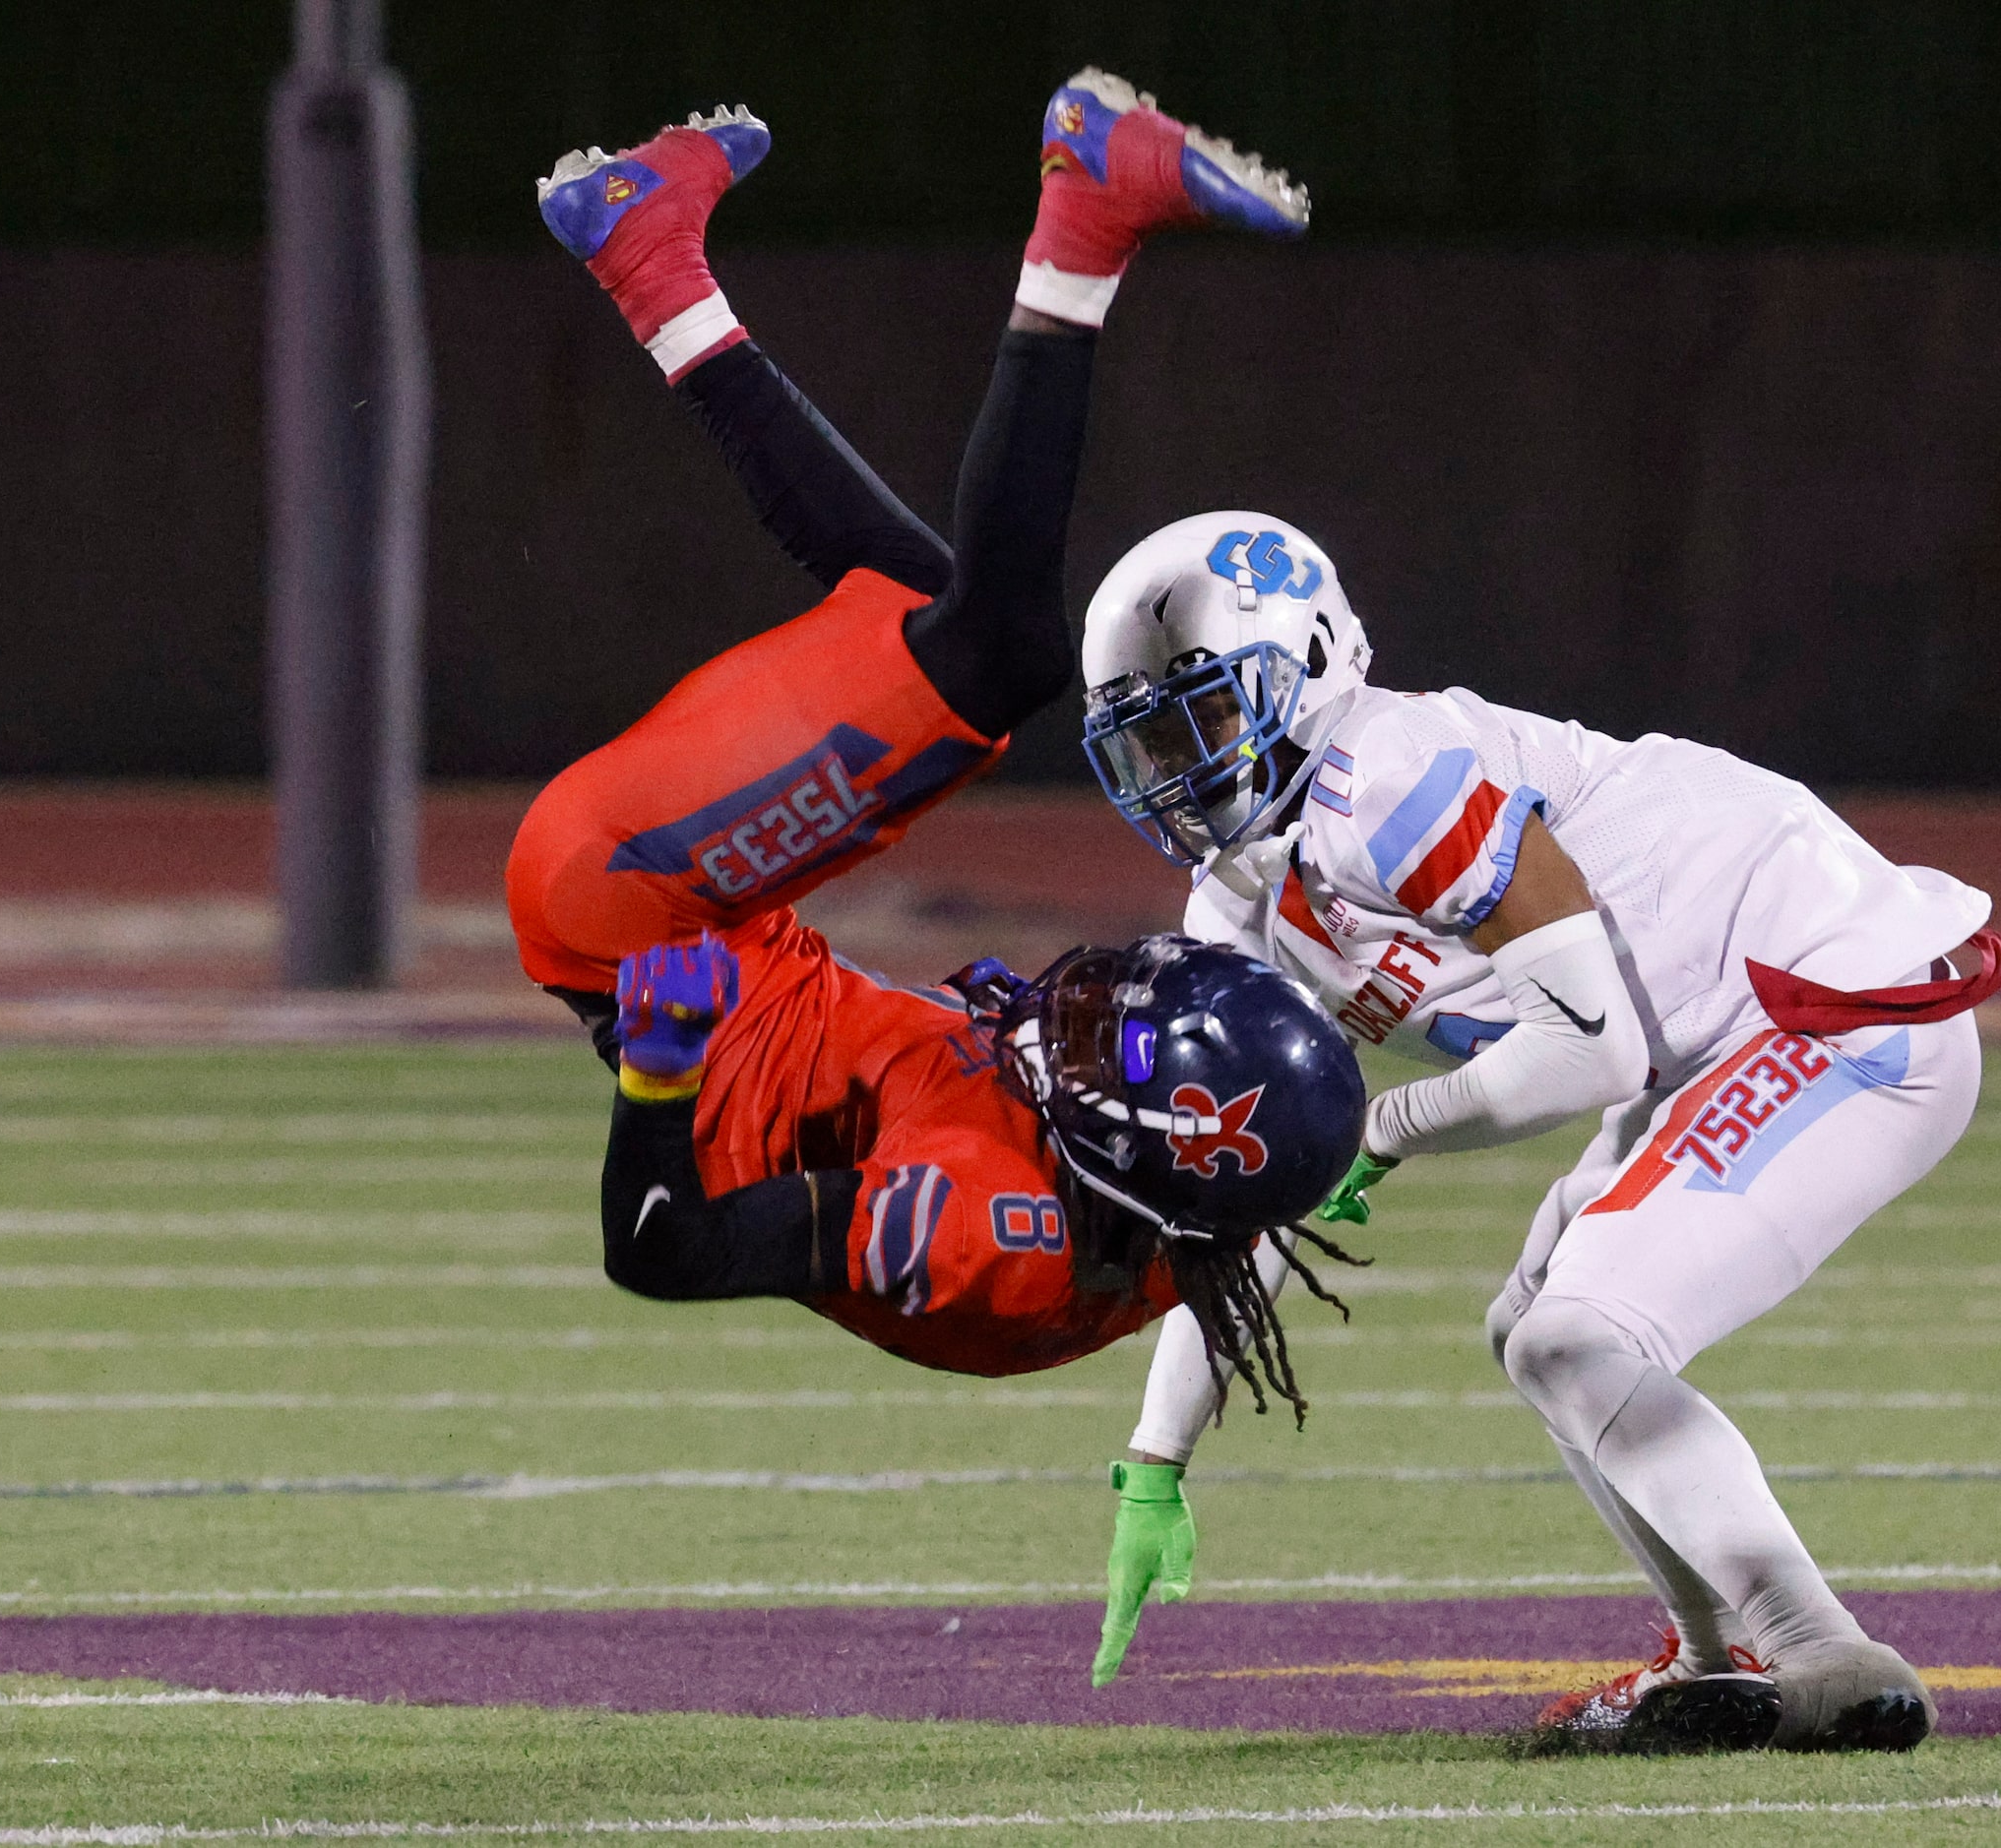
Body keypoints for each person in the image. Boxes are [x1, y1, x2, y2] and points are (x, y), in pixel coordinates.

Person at [1075, 512, 2001, 1750]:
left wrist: (1383, 1128)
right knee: (1532, 1329)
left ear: (1301, 661)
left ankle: (1819, 1651)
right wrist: (1155, 1458)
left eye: (1197, 716)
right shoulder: (1244, 896)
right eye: (1145, 740)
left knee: (1577, 1336)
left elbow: (1592, 1050)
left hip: (1826, 1010)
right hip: (1716, 1044)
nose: (1175, 768)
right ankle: (1707, 1661)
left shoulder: (1391, 777)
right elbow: (1248, 1198)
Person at [507, 78, 1361, 1407]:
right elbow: (1228, 1174)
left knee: (1000, 655)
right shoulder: (1185, 1201)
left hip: (633, 904)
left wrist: (660, 1068)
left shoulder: (983, 1233)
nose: (1076, 1025)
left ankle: (1086, 216)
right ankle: (644, 252)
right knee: (915, 601)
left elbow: (661, 1247)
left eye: (1110, 1059)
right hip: (755, 940)